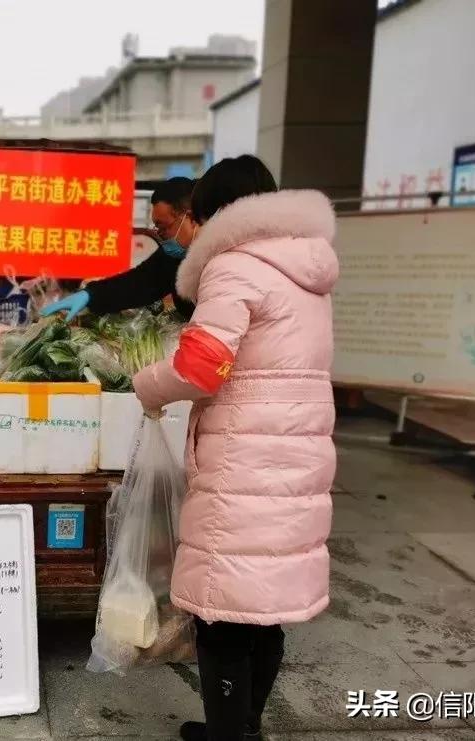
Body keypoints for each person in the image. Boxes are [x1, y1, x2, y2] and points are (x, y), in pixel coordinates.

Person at [132, 155, 337, 741]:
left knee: (223, 615)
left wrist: (147, 385)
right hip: (296, 453)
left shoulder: (235, 265)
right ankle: (244, 726)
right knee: (264, 609)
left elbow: (200, 368)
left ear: (217, 214)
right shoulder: (307, 271)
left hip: (246, 453)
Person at [41, 176, 198, 320]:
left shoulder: (218, 261)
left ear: (189, 218)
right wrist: (91, 295)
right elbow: (138, 283)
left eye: (163, 227)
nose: (160, 235)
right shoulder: (173, 258)